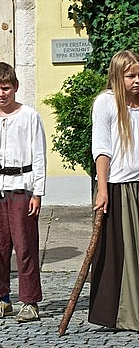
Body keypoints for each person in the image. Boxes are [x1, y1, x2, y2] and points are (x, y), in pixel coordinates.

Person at [0, 62, 46, 323]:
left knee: (25, 245)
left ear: (15, 87)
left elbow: (38, 155)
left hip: (21, 188)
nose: (1, 93)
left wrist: (37, 192)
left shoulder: (29, 116)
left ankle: (29, 301)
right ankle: (1, 299)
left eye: (5, 88)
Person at [90, 49, 139, 331]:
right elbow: (102, 148)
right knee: (124, 254)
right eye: (130, 75)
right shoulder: (106, 103)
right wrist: (102, 188)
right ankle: (126, 313)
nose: (136, 80)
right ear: (118, 77)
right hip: (121, 186)